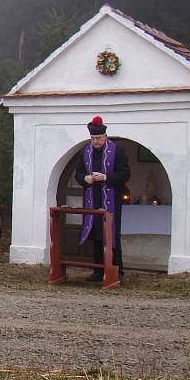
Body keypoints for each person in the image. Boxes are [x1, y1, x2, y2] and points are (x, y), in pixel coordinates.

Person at [75, 116, 131, 283]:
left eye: (98, 138)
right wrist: (85, 179)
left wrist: (106, 177)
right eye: (93, 138)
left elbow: (125, 175)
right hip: (93, 198)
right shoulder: (85, 152)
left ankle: (117, 270)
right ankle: (98, 270)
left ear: (105, 136)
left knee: (112, 235)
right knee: (96, 234)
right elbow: (78, 173)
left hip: (111, 199)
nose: (96, 141)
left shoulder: (118, 151)